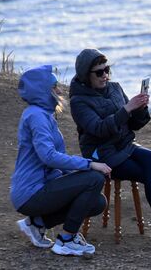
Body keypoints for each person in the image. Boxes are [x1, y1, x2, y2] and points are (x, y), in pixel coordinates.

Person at [69, 48, 151, 255]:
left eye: (107, 70)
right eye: (99, 72)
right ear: (85, 75)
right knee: (148, 173)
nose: (105, 75)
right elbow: (98, 128)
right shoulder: (78, 101)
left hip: (124, 145)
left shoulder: (115, 88)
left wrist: (140, 109)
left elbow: (133, 125)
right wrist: (126, 110)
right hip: (102, 155)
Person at [11, 65, 111, 256]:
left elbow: (54, 158)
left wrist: (77, 177)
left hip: (41, 187)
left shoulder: (44, 114)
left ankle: (37, 223)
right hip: (30, 193)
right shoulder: (37, 116)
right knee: (94, 178)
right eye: (54, 86)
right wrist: (89, 164)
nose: (60, 90)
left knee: (97, 202)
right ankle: (66, 239)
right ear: (42, 90)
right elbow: (47, 156)